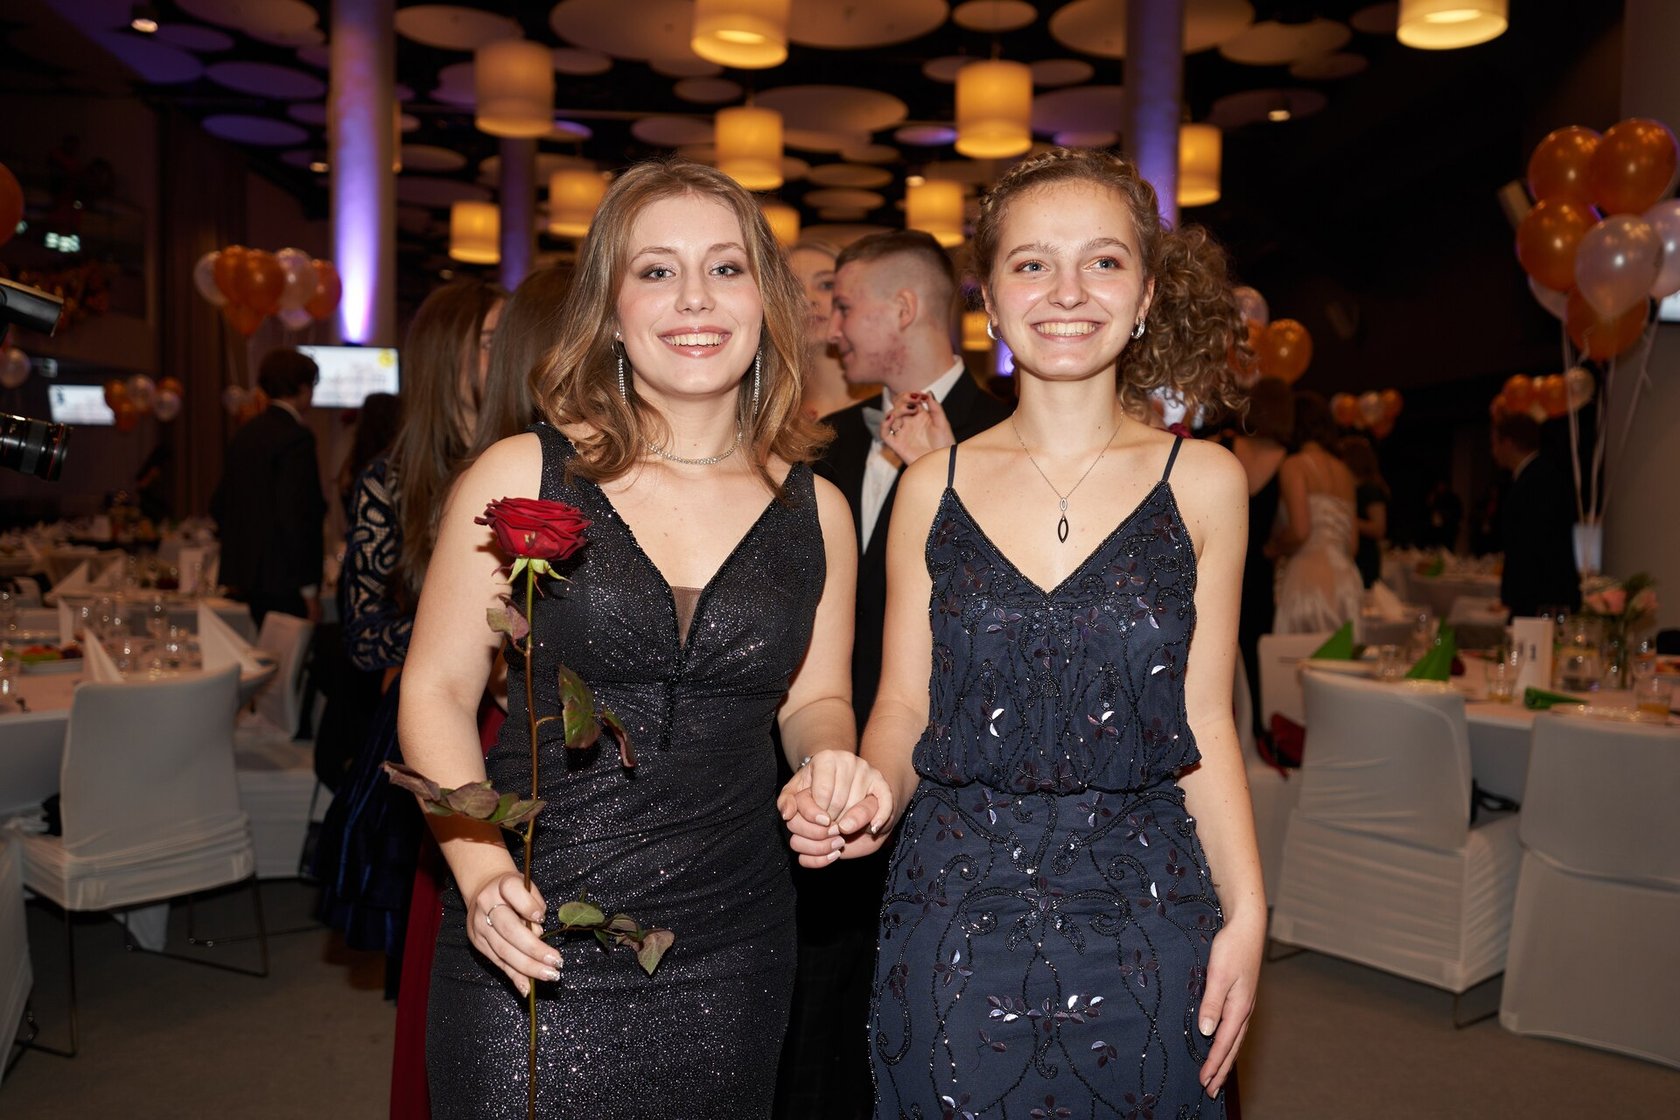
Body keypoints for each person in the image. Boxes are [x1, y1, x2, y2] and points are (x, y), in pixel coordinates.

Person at [785, 147, 1263, 1115]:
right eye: (1032, 263)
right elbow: (905, 706)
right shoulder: (932, 486)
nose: (1068, 291)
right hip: (953, 914)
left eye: (1104, 261)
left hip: (1152, 906)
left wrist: (1249, 910)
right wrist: (869, 793)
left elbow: (1206, 722)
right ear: (992, 304)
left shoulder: (1208, 482)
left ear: (1145, 295)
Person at [399, 159, 874, 1118]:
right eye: (657, 271)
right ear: (611, 310)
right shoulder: (523, 473)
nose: (695, 298)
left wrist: (829, 760)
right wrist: (482, 873)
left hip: (734, 940)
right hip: (531, 925)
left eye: (726, 269)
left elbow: (817, 697)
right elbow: (437, 691)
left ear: (767, 302)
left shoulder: (818, 509)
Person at [781, 229, 1013, 1120]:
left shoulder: (1007, 436)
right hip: (825, 760)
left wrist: (946, 486)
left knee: (932, 1009)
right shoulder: (821, 441)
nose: (831, 327)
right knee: (816, 1007)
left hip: (954, 773)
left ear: (904, 308)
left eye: (844, 305)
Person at [314, 278, 505, 996]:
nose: (507, 355)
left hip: (514, 716)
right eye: (490, 341)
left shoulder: (536, 460)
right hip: (433, 721)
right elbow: (362, 636)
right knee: (434, 948)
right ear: (446, 354)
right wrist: (461, 635)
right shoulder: (392, 480)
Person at [210, 347, 328, 627]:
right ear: (303, 388)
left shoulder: (245, 434)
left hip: (248, 578)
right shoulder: (296, 438)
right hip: (286, 578)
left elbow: (219, 504)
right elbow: (296, 516)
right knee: (291, 651)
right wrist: (309, 589)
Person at [1221, 376, 1291, 737]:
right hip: (1259, 570)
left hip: (1221, 566)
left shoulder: (1221, 448)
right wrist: (1275, 548)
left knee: (1220, 655)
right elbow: (1291, 526)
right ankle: (1259, 734)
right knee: (1256, 651)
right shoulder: (1287, 461)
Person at [1268, 391, 1363, 633]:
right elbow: (1352, 545)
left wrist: (1273, 547)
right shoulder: (1345, 471)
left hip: (1308, 581)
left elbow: (1300, 531)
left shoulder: (1294, 465)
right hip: (1346, 580)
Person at [1491, 412, 1580, 618]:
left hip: (1541, 602)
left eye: (1494, 444)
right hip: (1545, 597)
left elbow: (1529, 548)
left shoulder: (1535, 482)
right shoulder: (1543, 474)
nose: (1492, 452)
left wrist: (1513, 599)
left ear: (1508, 443)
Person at [787, 237, 875, 420]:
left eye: (827, 285)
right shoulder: (771, 420)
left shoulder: (894, 401)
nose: (808, 299)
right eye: (792, 290)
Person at [1339, 434, 1389, 589]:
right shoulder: (1350, 489)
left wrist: (1347, 519)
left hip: (1365, 557)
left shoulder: (1369, 490)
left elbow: (1378, 529)